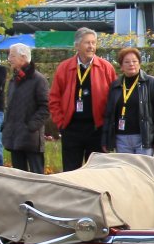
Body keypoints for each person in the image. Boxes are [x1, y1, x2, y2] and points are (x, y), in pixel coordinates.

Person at [49, 27, 116, 171]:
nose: (91, 46)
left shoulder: (106, 68)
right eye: (87, 43)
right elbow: (54, 98)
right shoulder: (64, 68)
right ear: (77, 45)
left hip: (97, 129)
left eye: (93, 43)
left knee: (97, 172)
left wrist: (109, 125)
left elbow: (115, 99)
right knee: (71, 172)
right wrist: (61, 123)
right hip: (71, 129)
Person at [102, 46, 154, 155]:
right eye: (127, 62)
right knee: (125, 166)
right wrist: (105, 139)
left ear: (139, 63)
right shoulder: (116, 85)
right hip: (121, 139)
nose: (131, 64)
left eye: (134, 61)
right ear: (121, 66)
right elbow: (109, 115)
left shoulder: (151, 83)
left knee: (143, 166)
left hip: (143, 138)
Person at [2, 44, 50, 174]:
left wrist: (31, 126)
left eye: (12, 55)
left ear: (23, 57)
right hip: (14, 137)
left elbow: (46, 107)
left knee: (36, 177)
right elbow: (10, 106)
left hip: (31, 138)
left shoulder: (38, 80)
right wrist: (6, 125)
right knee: (19, 177)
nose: (9, 59)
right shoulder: (14, 79)